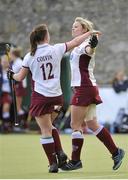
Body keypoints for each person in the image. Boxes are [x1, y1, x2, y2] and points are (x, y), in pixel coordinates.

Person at [7, 23, 100, 173]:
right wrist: (89, 34)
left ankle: (53, 163)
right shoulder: (56, 49)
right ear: (45, 36)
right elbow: (76, 42)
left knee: (45, 130)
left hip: (41, 98)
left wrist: (11, 75)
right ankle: (60, 153)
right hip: (57, 98)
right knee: (50, 126)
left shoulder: (30, 56)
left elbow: (19, 77)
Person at [60, 17, 125, 171]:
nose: (73, 28)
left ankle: (76, 161)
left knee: (75, 125)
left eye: (76, 26)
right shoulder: (76, 45)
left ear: (84, 30)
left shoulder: (85, 44)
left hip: (84, 87)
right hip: (87, 87)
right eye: (72, 26)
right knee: (92, 124)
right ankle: (116, 152)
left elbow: (90, 50)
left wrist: (93, 44)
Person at [9, 47, 28, 129]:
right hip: (18, 85)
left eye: (11, 54)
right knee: (17, 106)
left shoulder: (19, 62)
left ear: (13, 54)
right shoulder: (16, 62)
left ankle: (22, 124)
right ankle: (22, 123)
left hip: (19, 85)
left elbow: (18, 75)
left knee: (18, 107)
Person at [0, 55, 12, 133]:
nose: (4, 63)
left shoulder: (10, 71)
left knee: (6, 108)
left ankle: (6, 126)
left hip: (7, 93)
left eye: (6, 62)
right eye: (3, 61)